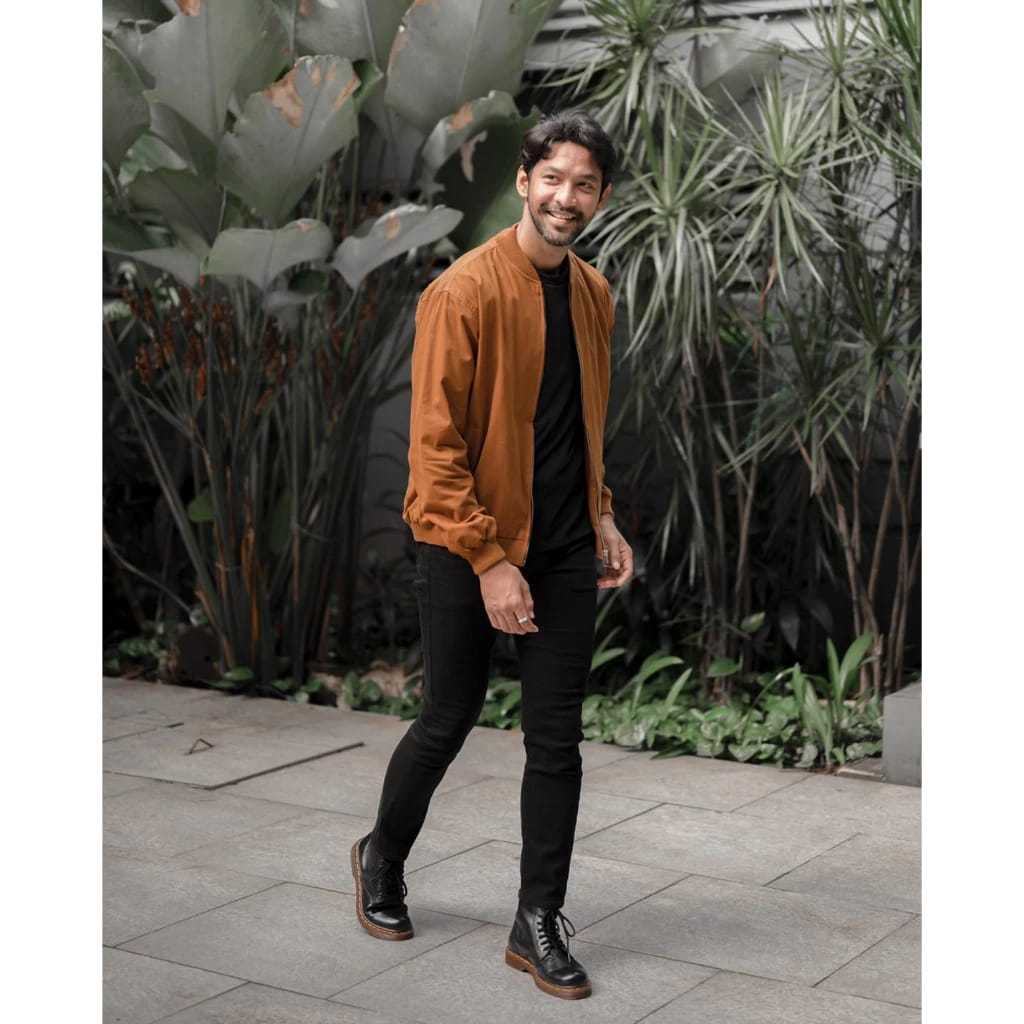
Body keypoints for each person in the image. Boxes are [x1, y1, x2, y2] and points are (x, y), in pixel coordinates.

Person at [350, 109, 634, 1001]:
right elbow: (434, 452)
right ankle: (382, 855)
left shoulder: (594, 295)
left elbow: (583, 427)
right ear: (524, 181)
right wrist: (488, 559)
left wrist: (602, 516)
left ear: (600, 197)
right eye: (553, 178)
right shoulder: (462, 292)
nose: (566, 197)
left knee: (557, 739)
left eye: (584, 184)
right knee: (450, 714)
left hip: (563, 547)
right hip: (463, 541)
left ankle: (537, 917)